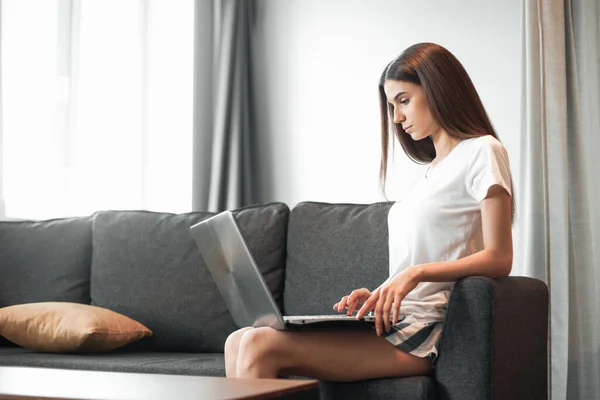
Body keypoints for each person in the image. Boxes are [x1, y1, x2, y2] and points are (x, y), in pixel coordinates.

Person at [223, 42, 514, 381]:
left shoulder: (483, 151)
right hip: (392, 320)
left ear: (439, 90)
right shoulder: (429, 174)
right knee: (237, 340)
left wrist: (415, 273)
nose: (396, 118)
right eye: (392, 105)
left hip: (422, 331)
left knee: (259, 344)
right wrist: (380, 293)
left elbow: (499, 258)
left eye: (404, 100)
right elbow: (430, 251)